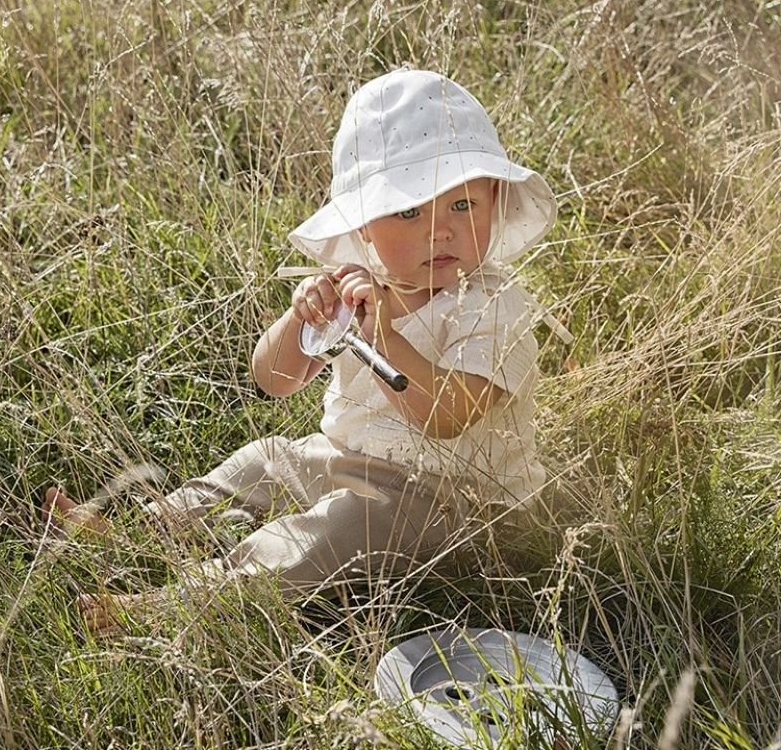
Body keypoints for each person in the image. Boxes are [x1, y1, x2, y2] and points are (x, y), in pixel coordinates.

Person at [42, 68, 558, 633]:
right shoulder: (355, 285)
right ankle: (145, 530)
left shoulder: (491, 303)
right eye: (410, 212)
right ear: (363, 223)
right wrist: (300, 318)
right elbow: (273, 379)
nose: (442, 231)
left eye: (464, 205)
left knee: (333, 530)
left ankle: (179, 606)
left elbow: (450, 414)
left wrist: (383, 335)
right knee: (263, 459)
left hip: (456, 503)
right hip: (347, 459)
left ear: (496, 201)